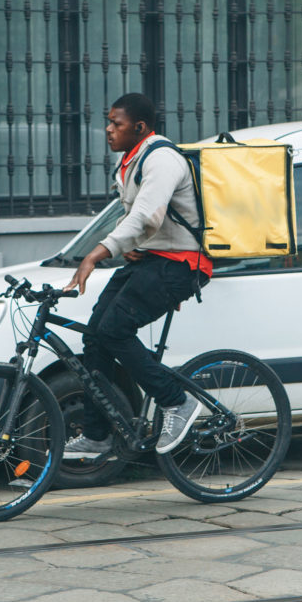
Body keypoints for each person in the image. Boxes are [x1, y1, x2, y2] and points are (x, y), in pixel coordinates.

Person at [63, 92, 212, 457]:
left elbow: (147, 216)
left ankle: (177, 402)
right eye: (109, 121)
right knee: (96, 337)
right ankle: (97, 434)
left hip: (181, 265)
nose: (108, 129)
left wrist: (96, 255)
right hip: (151, 262)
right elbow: (135, 219)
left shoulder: (161, 158)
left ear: (140, 127)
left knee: (115, 329)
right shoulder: (131, 161)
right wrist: (131, 245)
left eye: (117, 123)